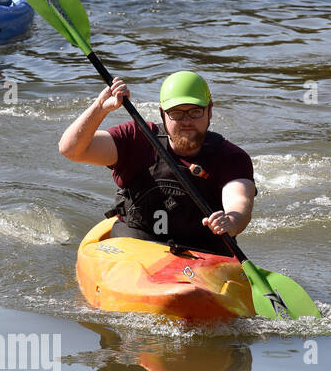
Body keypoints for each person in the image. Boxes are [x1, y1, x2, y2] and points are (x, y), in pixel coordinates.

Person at [57, 71, 256, 255]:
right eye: (176, 113)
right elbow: (71, 150)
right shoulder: (136, 138)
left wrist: (231, 221)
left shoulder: (231, 157)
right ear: (162, 113)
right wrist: (100, 108)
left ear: (209, 111)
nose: (186, 121)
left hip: (202, 253)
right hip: (136, 247)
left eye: (195, 112)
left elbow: (240, 202)